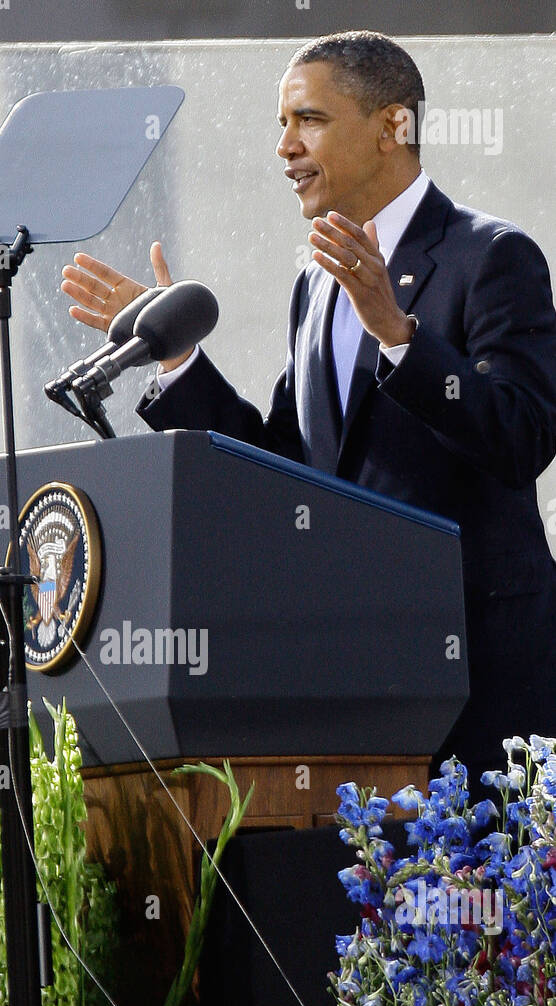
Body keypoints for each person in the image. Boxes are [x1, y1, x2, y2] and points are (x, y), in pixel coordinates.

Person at [60, 31, 556, 793]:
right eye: (280, 127)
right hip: (354, 685)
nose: (286, 147)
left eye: (309, 121)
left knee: (476, 912)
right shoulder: (317, 287)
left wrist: (401, 336)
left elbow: (521, 437)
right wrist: (174, 357)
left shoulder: (491, 257)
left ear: (394, 127)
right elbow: (289, 470)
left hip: (481, 683)